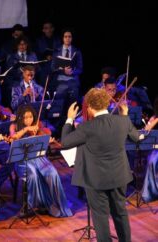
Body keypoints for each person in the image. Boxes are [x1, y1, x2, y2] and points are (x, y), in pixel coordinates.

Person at [61, 88, 142, 241]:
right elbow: (136, 137)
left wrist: (69, 119)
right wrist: (124, 115)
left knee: (100, 218)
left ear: (90, 106)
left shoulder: (87, 127)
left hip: (96, 180)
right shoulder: (122, 121)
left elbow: (65, 142)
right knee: (120, 213)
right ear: (106, 103)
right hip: (119, 176)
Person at [9, 104, 72, 217]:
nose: (29, 120)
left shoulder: (38, 125)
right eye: (25, 117)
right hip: (22, 160)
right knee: (33, 174)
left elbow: (45, 136)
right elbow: (13, 138)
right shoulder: (14, 126)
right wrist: (26, 129)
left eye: (31, 117)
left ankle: (56, 204)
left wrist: (48, 140)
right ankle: (32, 205)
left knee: (52, 173)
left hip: (39, 158)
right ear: (20, 118)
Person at [51, 28, 83, 108]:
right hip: (61, 81)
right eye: (65, 37)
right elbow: (53, 67)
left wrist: (72, 72)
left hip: (73, 80)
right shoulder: (57, 51)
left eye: (69, 37)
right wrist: (63, 71)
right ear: (62, 38)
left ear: (72, 38)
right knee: (59, 102)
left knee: (73, 101)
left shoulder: (77, 51)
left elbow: (80, 68)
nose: (67, 38)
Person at [34, 20, 61, 87]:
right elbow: (36, 53)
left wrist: (54, 56)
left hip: (55, 67)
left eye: (49, 28)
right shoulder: (39, 40)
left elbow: (60, 51)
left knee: (55, 88)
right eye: (46, 28)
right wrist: (45, 57)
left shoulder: (58, 39)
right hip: (43, 68)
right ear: (43, 30)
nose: (48, 30)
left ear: (53, 29)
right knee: (44, 88)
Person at [142, 97, 158, 203]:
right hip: (156, 148)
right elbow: (145, 131)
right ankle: (153, 191)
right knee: (152, 160)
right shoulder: (154, 118)